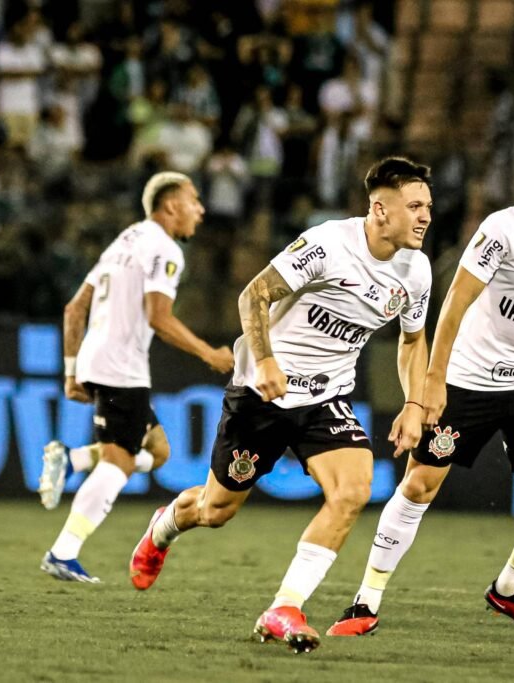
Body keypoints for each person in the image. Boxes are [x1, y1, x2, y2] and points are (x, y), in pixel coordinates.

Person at [128, 157, 435, 653]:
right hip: (261, 394)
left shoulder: (416, 271)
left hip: (327, 397)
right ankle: (163, 528)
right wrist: (267, 361)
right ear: (380, 209)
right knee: (215, 510)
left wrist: (415, 403)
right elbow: (254, 296)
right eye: (415, 206)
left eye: (428, 207)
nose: (425, 216)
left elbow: (413, 339)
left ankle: (285, 606)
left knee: (353, 489)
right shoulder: (328, 245)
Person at [328, 133, 514, 643]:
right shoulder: (505, 229)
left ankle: (511, 586)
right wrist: (434, 380)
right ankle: (366, 600)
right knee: (419, 487)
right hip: (467, 380)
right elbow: (455, 301)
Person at [38, 171, 234, 583]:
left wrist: (72, 372)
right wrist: (208, 353)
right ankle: (63, 552)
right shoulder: (165, 249)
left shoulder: (125, 240)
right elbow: (158, 317)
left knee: (158, 451)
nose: (200, 210)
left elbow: (74, 309)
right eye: (194, 200)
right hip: (120, 367)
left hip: (100, 360)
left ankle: (73, 459)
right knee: (120, 463)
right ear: (171, 205)